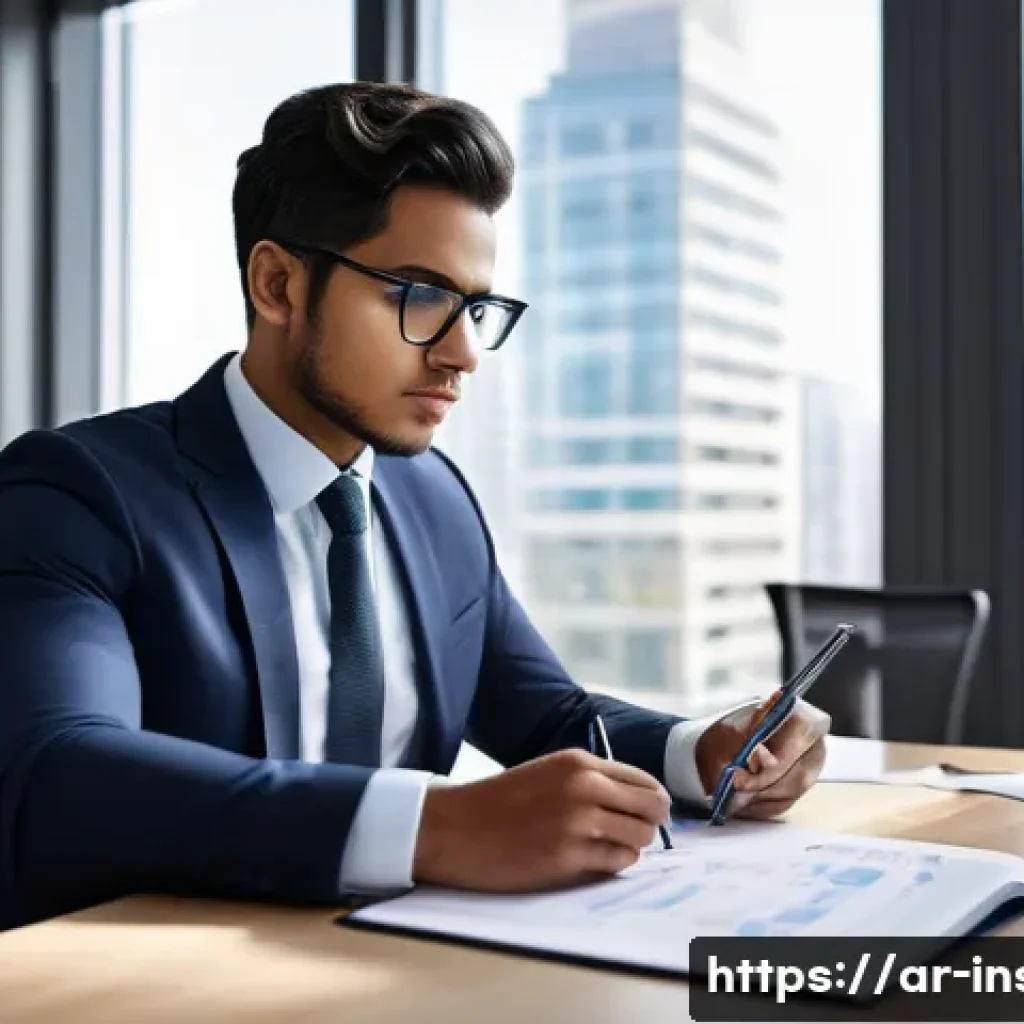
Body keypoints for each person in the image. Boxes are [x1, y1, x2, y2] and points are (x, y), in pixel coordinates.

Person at [0, 82, 829, 930]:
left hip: (404, 965)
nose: (464, 352)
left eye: (476, 306)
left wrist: (707, 754)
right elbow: (60, 774)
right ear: (278, 284)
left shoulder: (432, 497)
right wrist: (435, 825)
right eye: (418, 296)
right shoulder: (78, 493)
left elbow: (546, 715)